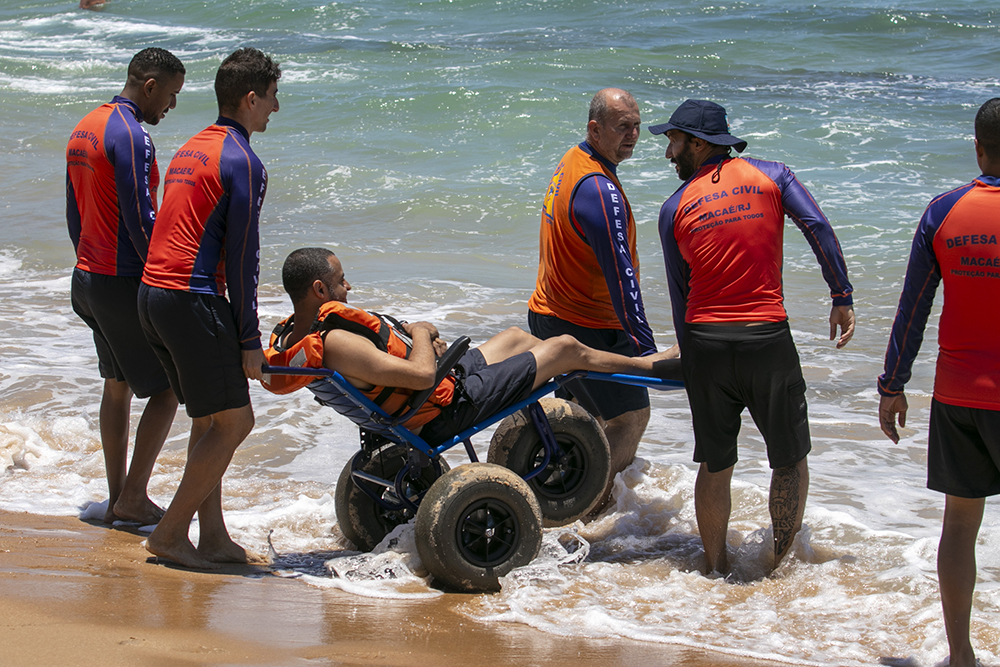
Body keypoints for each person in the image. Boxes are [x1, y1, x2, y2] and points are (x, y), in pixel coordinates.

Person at [651, 99, 855, 575]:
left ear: (699, 144)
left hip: (705, 343)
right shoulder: (774, 176)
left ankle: (715, 567)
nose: (669, 154)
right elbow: (817, 226)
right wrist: (840, 294)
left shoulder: (673, 208)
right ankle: (776, 566)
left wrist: (693, 360)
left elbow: (680, 294)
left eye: (674, 142)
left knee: (715, 464)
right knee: (788, 460)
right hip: (766, 341)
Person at [262, 248, 679, 446]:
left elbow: (400, 371)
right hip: (440, 409)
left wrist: (412, 340)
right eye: (340, 281)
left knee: (518, 337)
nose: (348, 287)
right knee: (565, 346)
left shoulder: (295, 336)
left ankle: (568, 426)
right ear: (320, 289)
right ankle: (648, 367)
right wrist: (422, 333)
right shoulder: (334, 341)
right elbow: (423, 375)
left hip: (432, 393)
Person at [137, 47, 280, 570]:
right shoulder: (243, 161)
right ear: (250, 98)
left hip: (152, 297)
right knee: (235, 423)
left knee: (208, 420)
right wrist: (249, 340)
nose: (275, 108)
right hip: (190, 299)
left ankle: (213, 536)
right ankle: (172, 533)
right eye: (271, 97)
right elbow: (244, 259)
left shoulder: (191, 147)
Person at [878, 98, 1000, 667]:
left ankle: (961, 656)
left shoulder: (943, 212)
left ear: (978, 147)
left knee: (960, 526)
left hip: (956, 397)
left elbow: (913, 307)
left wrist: (892, 384)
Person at [66, 47, 185, 525]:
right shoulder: (133, 136)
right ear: (150, 85)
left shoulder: (86, 126)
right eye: (171, 95)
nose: (171, 107)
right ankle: (133, 498)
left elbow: (75, 213)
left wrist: (87, 263)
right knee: (169, 388)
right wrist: (164, 278)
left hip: (87, 277)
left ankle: (118, 499)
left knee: (116, 385)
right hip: (121, 282)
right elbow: (141, 220)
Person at [528, 88, 662, 510]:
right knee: (630, 417)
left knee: (585, 421)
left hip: (549, 314)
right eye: (623, 127)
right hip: (589, 326)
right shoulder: (599, 191)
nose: (634, 135)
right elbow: (623, 282)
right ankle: (588, 508)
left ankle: (561, 494)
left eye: (638, 125)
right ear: (595, 128)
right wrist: (646, 352)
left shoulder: (573, 160)